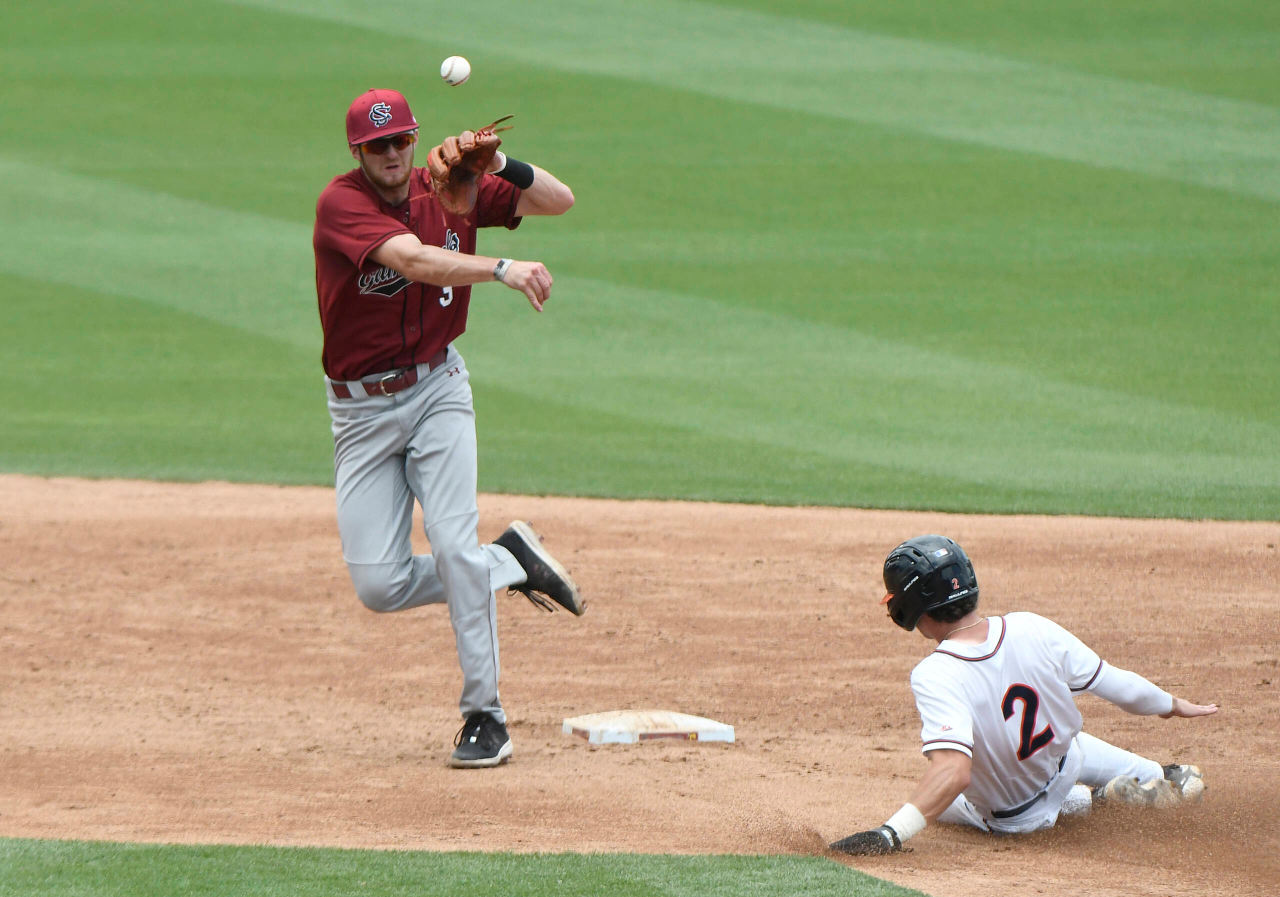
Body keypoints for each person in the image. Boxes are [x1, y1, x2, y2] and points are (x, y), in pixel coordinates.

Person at [311, 88, 582, 769]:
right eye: (379, 146)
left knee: (455, 545)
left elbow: (560, 200)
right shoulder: (341, 205)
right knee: (378, 583)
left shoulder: (453, 185)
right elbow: (415, 260)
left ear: (415, 138)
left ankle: (484, 716)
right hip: (361, 410)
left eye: (402, 140)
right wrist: (501, 267)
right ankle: (512, 560)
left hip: (437, 391)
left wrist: (503, 164)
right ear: (358, 153)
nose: (394, 154)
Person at [830, 535, 1218, 854]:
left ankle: (1095, 801)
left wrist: (890, 833)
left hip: (1020, 819)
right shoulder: (1032, 627)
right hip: (1066, 758)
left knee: (942, 804)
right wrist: (1171, 703)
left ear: (910, 608)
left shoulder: (935, 673)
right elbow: (1116, 684)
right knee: (1066, 744)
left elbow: (954, 770)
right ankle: (1160, 774)